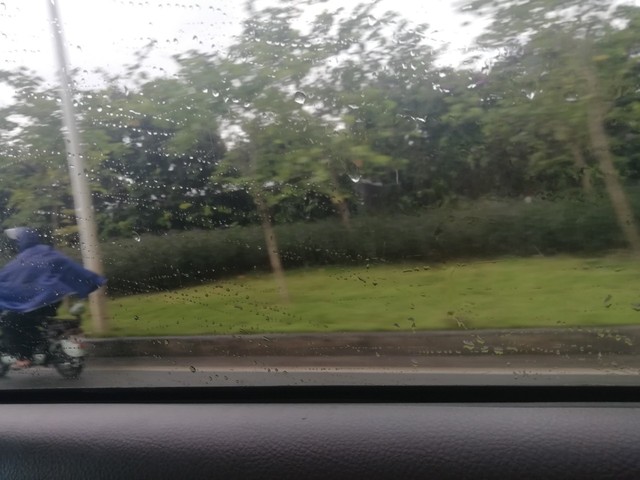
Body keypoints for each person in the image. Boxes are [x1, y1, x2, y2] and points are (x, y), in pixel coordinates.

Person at [0, 227, 106, 368]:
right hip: (53, 301)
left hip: (33, 304)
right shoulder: (49, 252)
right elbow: (71, 267)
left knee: (11, 322)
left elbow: (5, 283)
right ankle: (42, 347)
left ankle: (23, 357)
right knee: (31, 321)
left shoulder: (19, 261)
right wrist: (92, 281)